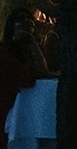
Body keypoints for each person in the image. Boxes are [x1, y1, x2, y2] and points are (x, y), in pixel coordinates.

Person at [0, 8, 51, 149]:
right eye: (20, 19)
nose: (26, 22)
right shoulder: (4, 53)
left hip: (30, 110)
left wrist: (32, 43)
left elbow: (43, 70)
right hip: (8, 109)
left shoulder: (31, 51)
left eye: (29, 19)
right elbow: (31, 77)